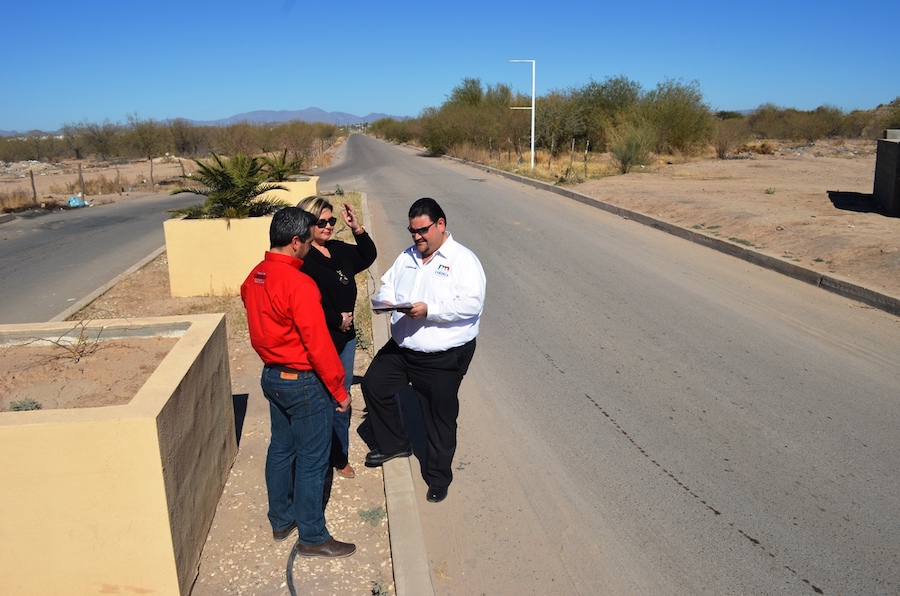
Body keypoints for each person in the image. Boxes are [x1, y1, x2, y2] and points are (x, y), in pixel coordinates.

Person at [240, 206, 356, 558]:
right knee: (311, 460)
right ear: (295, 242)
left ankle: (281, 519)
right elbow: (318, 344)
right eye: (308, 240)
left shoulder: (255, 275)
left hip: (272, 377)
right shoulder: (299, 284)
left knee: (281, 448)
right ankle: (312, 536)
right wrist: (339, 389)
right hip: (303, 382)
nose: (310, 246)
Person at [361, 197, 486, 503]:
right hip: (403, 350)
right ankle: (395, 444)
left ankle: (438, 477)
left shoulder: (463, 260)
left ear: (440, 225)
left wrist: (430, 310)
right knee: (374, 385)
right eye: (412, 231)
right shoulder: (407, 257)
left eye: (422, 230)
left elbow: (471, 304)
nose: (417, 237)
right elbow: (389, 284)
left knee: (438, 419)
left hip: (442, 358)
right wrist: (388, 302)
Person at [296, 196, 377, 480]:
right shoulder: (303, 260)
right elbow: (307, 306)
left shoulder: (339, 250)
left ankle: (339, 455)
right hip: (321, 341)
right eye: (322, 222)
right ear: (308, 223)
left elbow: (368, 256)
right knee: (319, 400)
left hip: (346, 341)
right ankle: (317, 454)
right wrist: (336, 320)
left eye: (332, 221)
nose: (329, 226)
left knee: (343, 398)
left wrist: (357, 228)